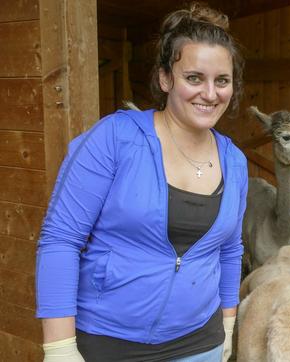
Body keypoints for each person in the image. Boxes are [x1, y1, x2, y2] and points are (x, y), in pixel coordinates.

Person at [36, 3, 247, 361]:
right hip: (108, 342)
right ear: (165, 79)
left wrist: (227, 325)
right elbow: (61, 239)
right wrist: (59, 347)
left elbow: (229, 250)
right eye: (194, 78)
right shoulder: (114, 139)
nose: (210, 94)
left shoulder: (235, 161)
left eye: (221, 81)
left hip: (199, 343)